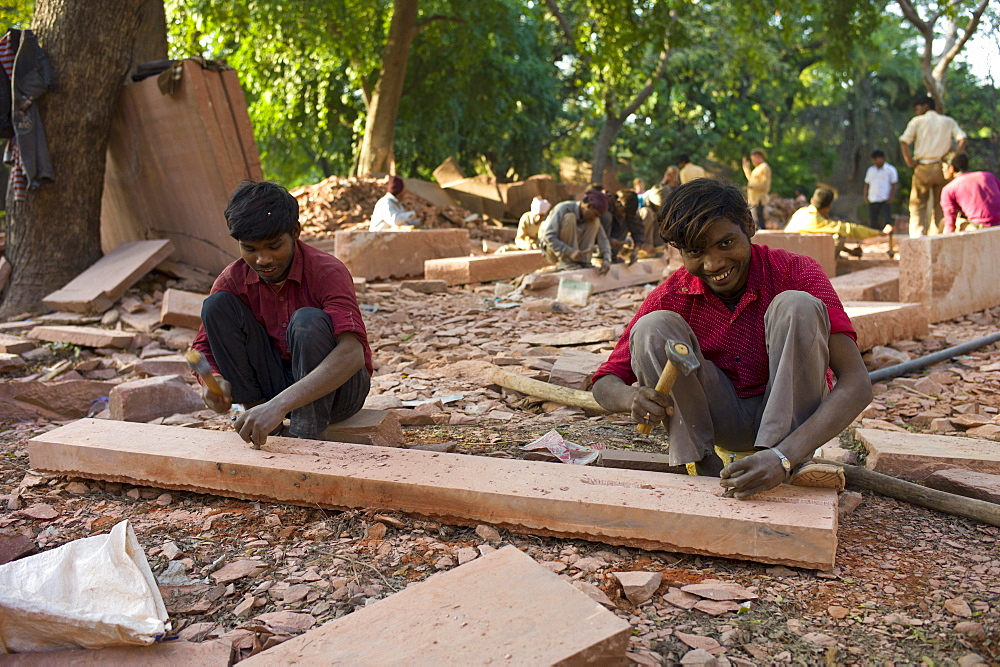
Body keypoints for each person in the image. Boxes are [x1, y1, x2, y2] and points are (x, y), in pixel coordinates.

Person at [591, 179, 872, 499]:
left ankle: (783, 459)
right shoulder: (673, 294)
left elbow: (857, 384)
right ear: (679, 252)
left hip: (793, 422)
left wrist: (783, 456)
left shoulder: (796, 271)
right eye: (696, 252)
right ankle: (699, 465)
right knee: (652, 327)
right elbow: (604, 382)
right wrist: (631, 398)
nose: (714, 264)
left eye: (726, 243)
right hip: (721, 420)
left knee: (797, 305)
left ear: (749, 226)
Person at [191, 180, 373, 448]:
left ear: (296, 232)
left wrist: (279, 404)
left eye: (274, 246)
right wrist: (214, 383)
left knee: (307, 322)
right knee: (216, 306)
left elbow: (352, 354)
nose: (263, 260)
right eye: (250, 249)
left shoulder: (326, 271)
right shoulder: (233, 278)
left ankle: (306, 432)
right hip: (274, 390)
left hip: (339, 394)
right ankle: (261, 419)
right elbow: (201, 349)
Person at [899, 95, 967, 237]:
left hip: (922, 167)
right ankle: (938, 235)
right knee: (941, 204)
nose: (916, 112)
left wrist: (910, 162)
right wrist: (953, 158)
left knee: (918, 205)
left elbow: (904, 141)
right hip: (943, 168)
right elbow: (962, 138)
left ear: (925, 106)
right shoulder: (948, 121)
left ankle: (917, 236)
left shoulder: (917, 121)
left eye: (917, 108)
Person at [785, 187, 890, 257]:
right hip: (798, 257)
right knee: (839, 236)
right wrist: (880, 233)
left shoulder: (800, 212)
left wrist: (849, 251)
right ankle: (829, 264)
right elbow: (849, 229)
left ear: (812, 200)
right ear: (829, 206)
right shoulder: (817, 220)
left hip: (787, 253)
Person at [538, 189, 613, 273]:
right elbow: (548, 237)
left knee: (595, 222)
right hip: (555, 253)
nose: (594, 217)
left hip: (577, 255)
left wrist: (607, 259)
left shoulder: (592, 218)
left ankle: (584, 262)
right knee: (570, 217)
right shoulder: (563, 208)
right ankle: (566, 262)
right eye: (595, 214)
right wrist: (570, 251)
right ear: (589, 206)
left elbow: (603, 239)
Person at [940, 151, 1000, 233]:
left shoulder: (949, 189)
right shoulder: (989, 176)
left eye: (943, 167)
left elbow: (950, 223)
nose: (942, 170)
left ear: (951, 169)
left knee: (943, 223)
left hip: (980, 228)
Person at [604, 189, 646, 264]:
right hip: (601, 242)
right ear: (618, 201)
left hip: (614, 246)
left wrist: (635, 251)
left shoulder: (628, 211)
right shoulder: (607, 203)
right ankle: (602, 255)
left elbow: (638, 231)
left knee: (626, 220)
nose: (624, 214)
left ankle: (613, 255)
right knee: (607, 217)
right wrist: (607, 240)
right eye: (623, 211)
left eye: (626, 213)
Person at [863, 150, 899, 230]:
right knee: (873, 222)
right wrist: (866, 196)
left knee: (886, 222)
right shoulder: (870, 170)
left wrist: (891, 197)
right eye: (874, 159)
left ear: (882, 158)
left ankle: (887, 238)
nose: (875, 161)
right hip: (873, 199)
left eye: (877, 159)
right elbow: (867, 184)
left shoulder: (890, 170)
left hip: (885, 199)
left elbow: (894, 184)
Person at [742, 149, 771, 230]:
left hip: (759, 198)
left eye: (754, 159)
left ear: (760, 157)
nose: (753, 161)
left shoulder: (764, 167)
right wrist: (746, 168)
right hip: (753, 197)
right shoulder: (757, 168)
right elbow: (751, 179)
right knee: (754, 218)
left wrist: (752, 187)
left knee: (758, 219)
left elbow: (764, 184)